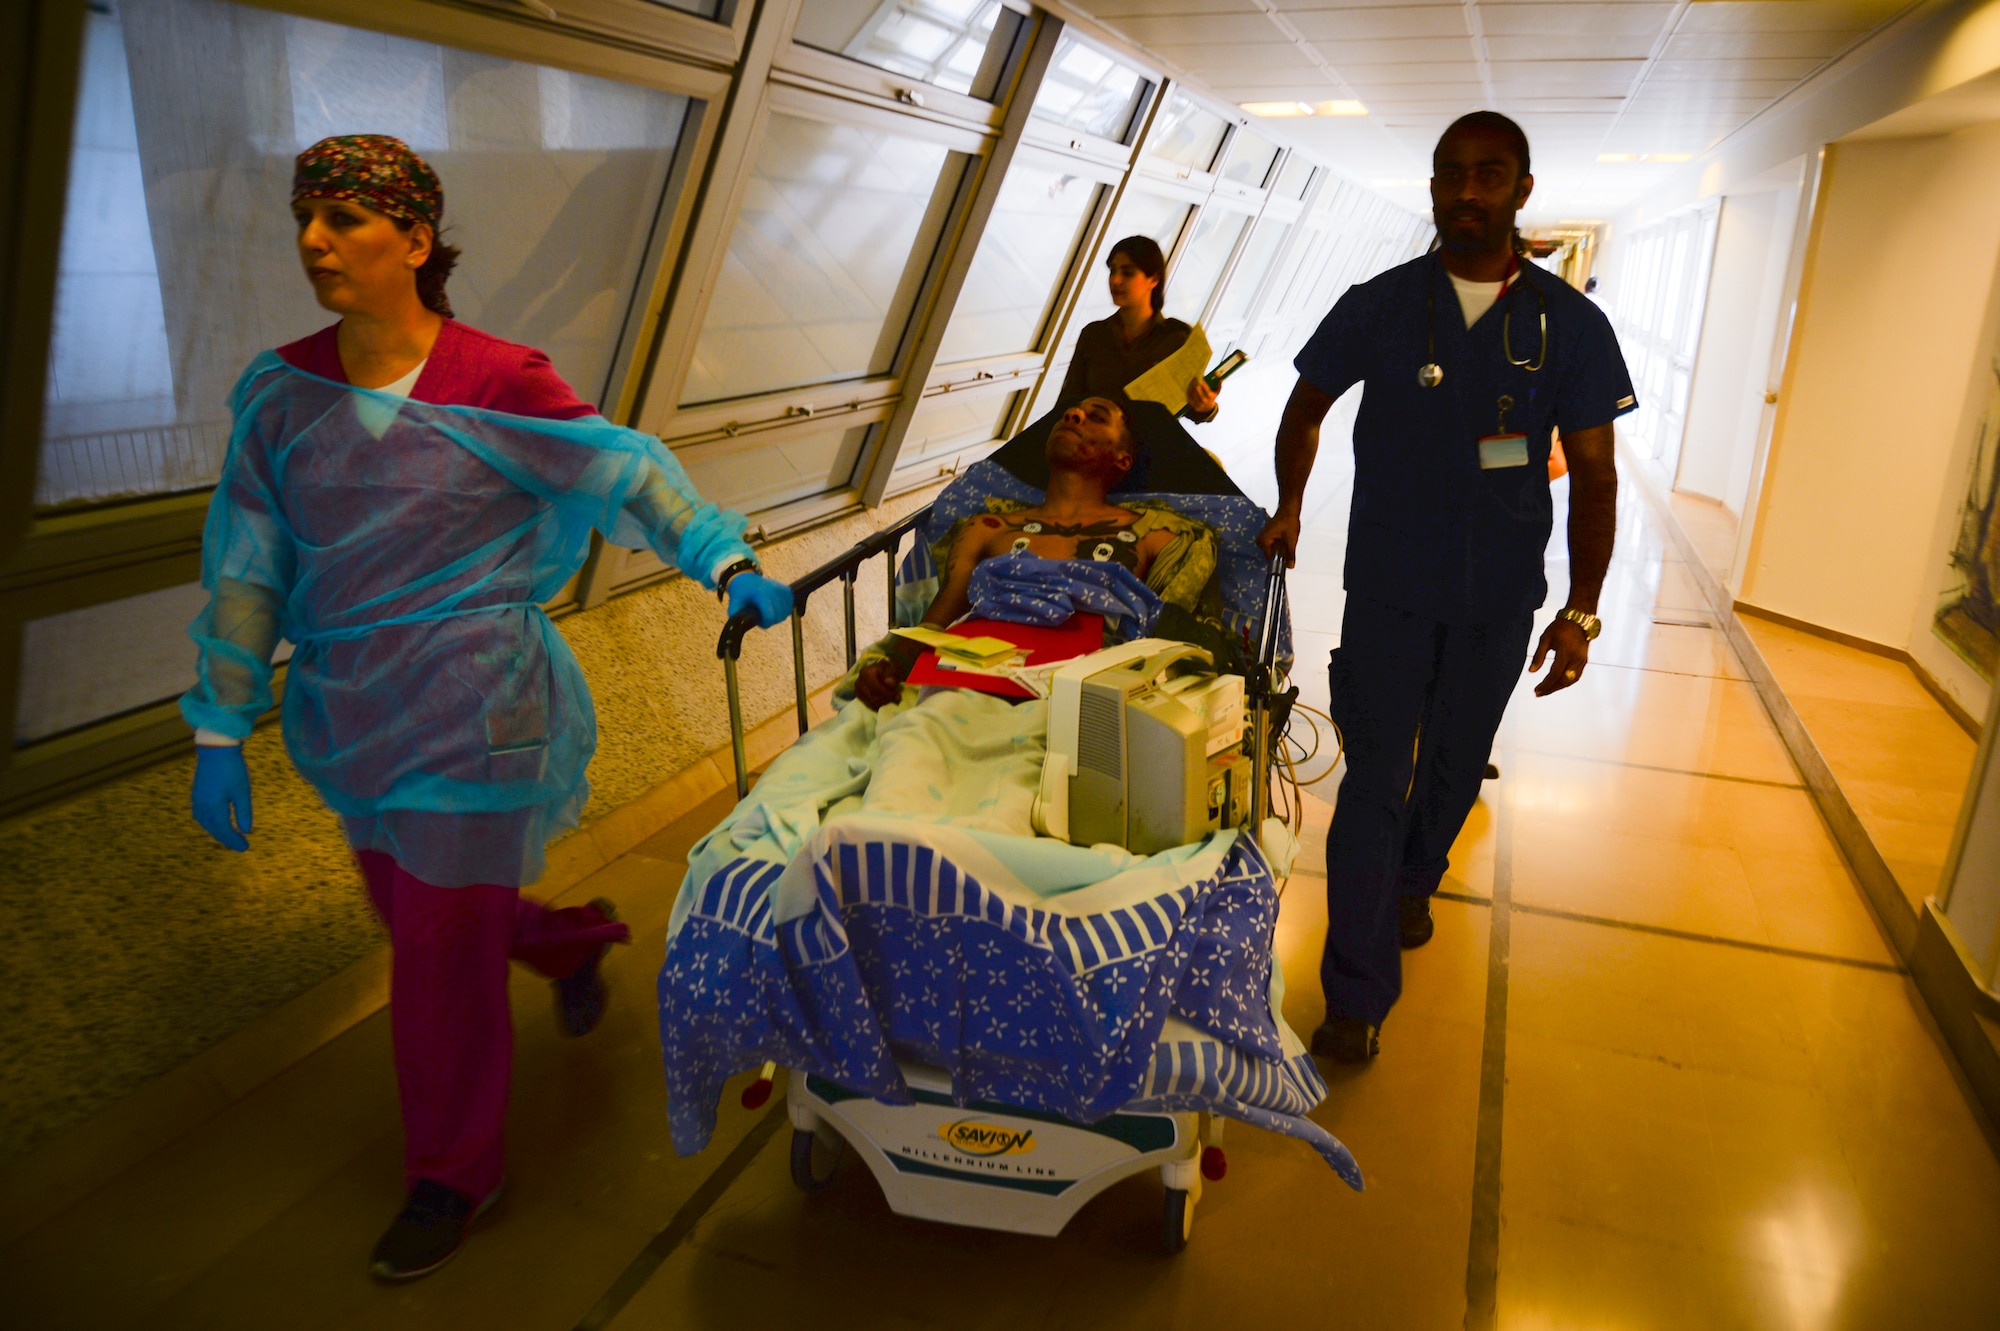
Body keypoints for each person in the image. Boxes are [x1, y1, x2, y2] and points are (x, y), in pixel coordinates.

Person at [179, 135, 794, 1280]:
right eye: (306, 215)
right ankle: (571, 944)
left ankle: (453, 1171)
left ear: (413, 239)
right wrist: (221, 726)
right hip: (351, 715)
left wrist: (723, 558)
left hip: (477, 707)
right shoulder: (283, 396)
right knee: (423, 917)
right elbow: (249, 565)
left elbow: (625, 471)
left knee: (434, 958)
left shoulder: (499, 379)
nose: (314, 238)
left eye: (346, 217)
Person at [1255, 112, 1634, 1064]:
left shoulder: (1572, 327)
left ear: (1522, 188)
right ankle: (1355, 993)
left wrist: (1581, 610)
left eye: (1489, 175)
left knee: (1454, 769)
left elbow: (1594, 475)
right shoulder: (1379, 304)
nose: (1468, 191)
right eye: (1451, 175)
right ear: (1431, 187)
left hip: (1498, 597)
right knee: (1374, 780)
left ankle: (1418, 878)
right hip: (1386, 585)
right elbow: (1305, 407)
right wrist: (1291, 502)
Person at [855, 395, 1217, 708]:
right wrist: (892, 667)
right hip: (965, 688)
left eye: (1097, 417)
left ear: (1123, 459)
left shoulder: (1162, 536)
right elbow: (938, 619)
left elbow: (1160, 645)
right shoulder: (987, 527)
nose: (1073, 416)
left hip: (1076, 702)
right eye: (1071, 413)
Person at [1056, 236, 1222, 421]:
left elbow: (1190, 408)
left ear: (1154, 279)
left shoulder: (1177, 338)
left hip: (1141, 447)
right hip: (1088, 443)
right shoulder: (1094, 334)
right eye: (1112, 271)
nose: (1115, 280)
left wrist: (1206, 406)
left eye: (1127, 272)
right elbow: (1068, 401)